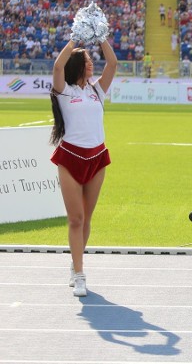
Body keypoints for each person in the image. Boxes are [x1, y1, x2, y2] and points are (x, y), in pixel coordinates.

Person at [49, 37, 118, 297]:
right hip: (70, 158)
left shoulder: (97, 90)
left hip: (97, 158)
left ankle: (75, 262)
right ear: (78, 65)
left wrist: (102, 39)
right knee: (75, 219)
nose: (92, 64)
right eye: (88, 61)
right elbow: (57, 67)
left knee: (86, 219)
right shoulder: (64, 90)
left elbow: (112, 63)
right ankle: (79, 275)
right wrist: (73, 41)